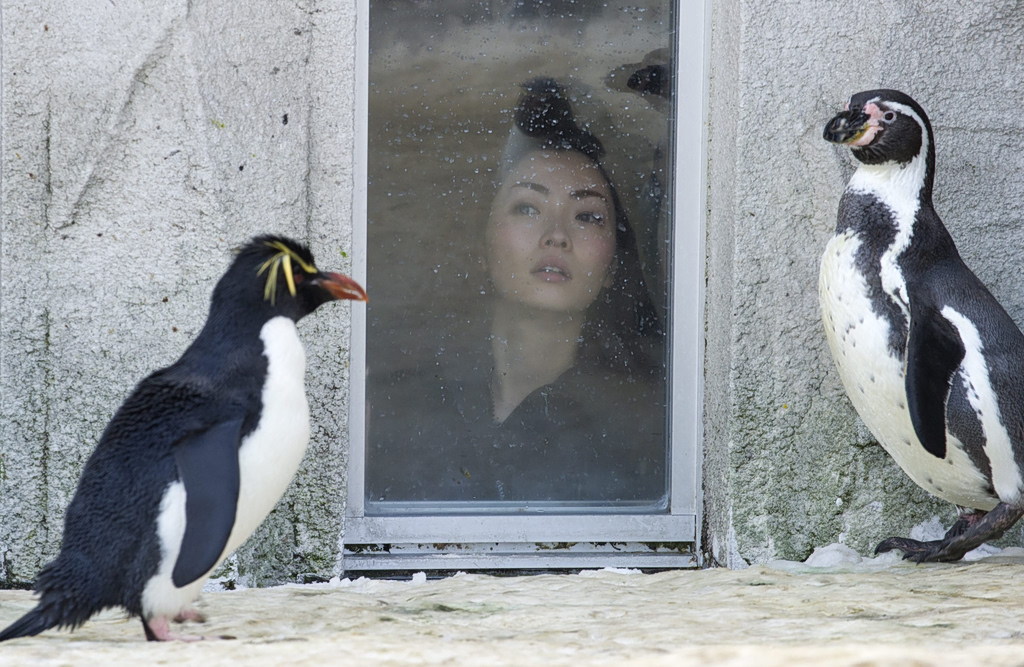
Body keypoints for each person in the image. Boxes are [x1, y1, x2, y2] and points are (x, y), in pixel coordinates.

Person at [366, 78, 666, 504]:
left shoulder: (655, 431)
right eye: (528, 207)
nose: (556, 235)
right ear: (481, 247)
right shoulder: (390, 407)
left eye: (587, 216)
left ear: (614, 264)